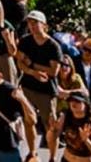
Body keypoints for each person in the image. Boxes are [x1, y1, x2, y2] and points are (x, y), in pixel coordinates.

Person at [13, 11, 64, 151]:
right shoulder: (25, 41)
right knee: (29, 121)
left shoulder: (53, 46)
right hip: (28, 87)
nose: (32, 26)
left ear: (44, 25)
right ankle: (32, 152)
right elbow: (20, 62)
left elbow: (54, 71)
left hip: (46, 91)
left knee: (50, 126)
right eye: (30, 23)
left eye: (36, 23)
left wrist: (33, 64)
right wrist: (32, 72)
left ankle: (53, 157)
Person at [47, 96, 91, 162]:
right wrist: (52, 129)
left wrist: (86, 140)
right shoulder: (65, 117)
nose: (73, 103)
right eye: (71, 101)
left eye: (77, 101)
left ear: (85, 104)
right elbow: (52, 139)